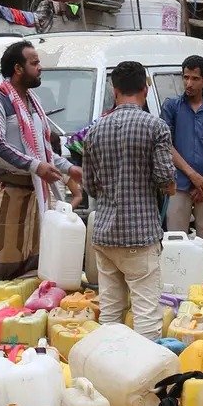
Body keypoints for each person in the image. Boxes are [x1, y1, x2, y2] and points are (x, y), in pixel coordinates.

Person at [0, 40, 82, 289]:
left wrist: (68, 168)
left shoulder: (32, 101)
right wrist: (37, 167)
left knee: (34, 258)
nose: (40, 68)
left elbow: (42, 150)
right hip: (7, 191)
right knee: (1, 257)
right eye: (34, 63)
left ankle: (26, 304)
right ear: (18, 68)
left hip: (34, 192)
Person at [83, 62, 176, 340]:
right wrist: (167, 187)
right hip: (140, 236)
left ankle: (109, 362)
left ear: (114, 91)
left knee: (110, 312)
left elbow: (90, 186)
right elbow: (166, 179)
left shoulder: (94, 131)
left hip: (105, 235)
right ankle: (144, 366)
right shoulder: (156, 127)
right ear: (145, 89)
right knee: (146, 314)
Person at [162, 55, 203, 276]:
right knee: (175, 239)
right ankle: (176, 283)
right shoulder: (172, 107)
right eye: (186, 77)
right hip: (178, 185)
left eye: (195, 78)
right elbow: (166, 145)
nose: (189, 83)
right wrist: (193, 176)